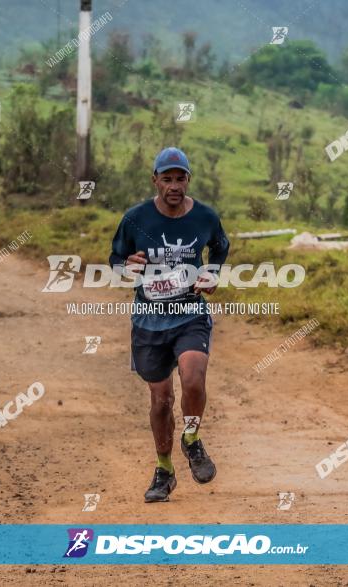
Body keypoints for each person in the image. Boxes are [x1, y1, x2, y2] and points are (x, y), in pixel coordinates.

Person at [109, 147, 230, 502]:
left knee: (193, 379)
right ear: (155, 181)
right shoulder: (135, 218)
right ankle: (164, 470)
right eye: (167, 179)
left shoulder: (205, 217)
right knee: (161, 401)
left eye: (180, 179)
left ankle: (191, 439)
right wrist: (125, 264)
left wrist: (212, 271)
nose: (174, 186)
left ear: (188, 180)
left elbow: (220, 248)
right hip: (148, 321)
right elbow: (115, 257)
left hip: (190, 313)